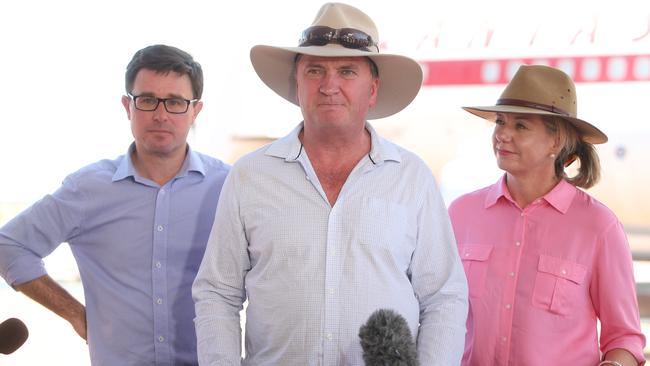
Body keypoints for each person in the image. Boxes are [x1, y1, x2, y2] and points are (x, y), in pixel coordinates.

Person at [192, 2, 468, 365]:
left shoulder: (412, 178)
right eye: (315, 70)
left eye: (347, 71)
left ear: (373, 89)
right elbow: (218, 292)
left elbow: (443, 297)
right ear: (297, 84)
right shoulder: (250, 175)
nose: (329, 85)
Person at [0, 44, 230, 365]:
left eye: (176, 102)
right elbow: (9, 245)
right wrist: (75, 314)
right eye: (147, 100)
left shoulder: (228, 187)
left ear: (196, 111)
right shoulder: (87, 188)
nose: (161, 115)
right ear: (128, 106)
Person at [449, 64, 646, 366]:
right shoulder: (461, 214)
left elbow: (625, 338)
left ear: (556, 141)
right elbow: (435, 313)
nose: (502, 134)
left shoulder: (598, 227)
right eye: (500, 122)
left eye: (521, 126)